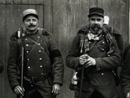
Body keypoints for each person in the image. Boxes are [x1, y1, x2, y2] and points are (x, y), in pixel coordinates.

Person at [7, 9, 64, 98]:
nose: (31, 23)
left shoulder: (48, 39)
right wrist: (15, 85)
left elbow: (58, 61)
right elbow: (11, 65)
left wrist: (57, 82)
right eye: (28, 20)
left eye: (34, 20)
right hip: (26, 87)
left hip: (46, 86)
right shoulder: (17, 41)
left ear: (38, 22)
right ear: (23, 23)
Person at [66, 7, 121, 98]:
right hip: (85, 88)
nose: (96, 22)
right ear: (89, 20)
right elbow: (69, 59)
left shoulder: (110, 39)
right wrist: (79, 60)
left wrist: (95, 62)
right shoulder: (80, 37)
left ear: (103, 21)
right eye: (93, 19)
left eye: (98, 20)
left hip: (106, 88)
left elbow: (117, 59)